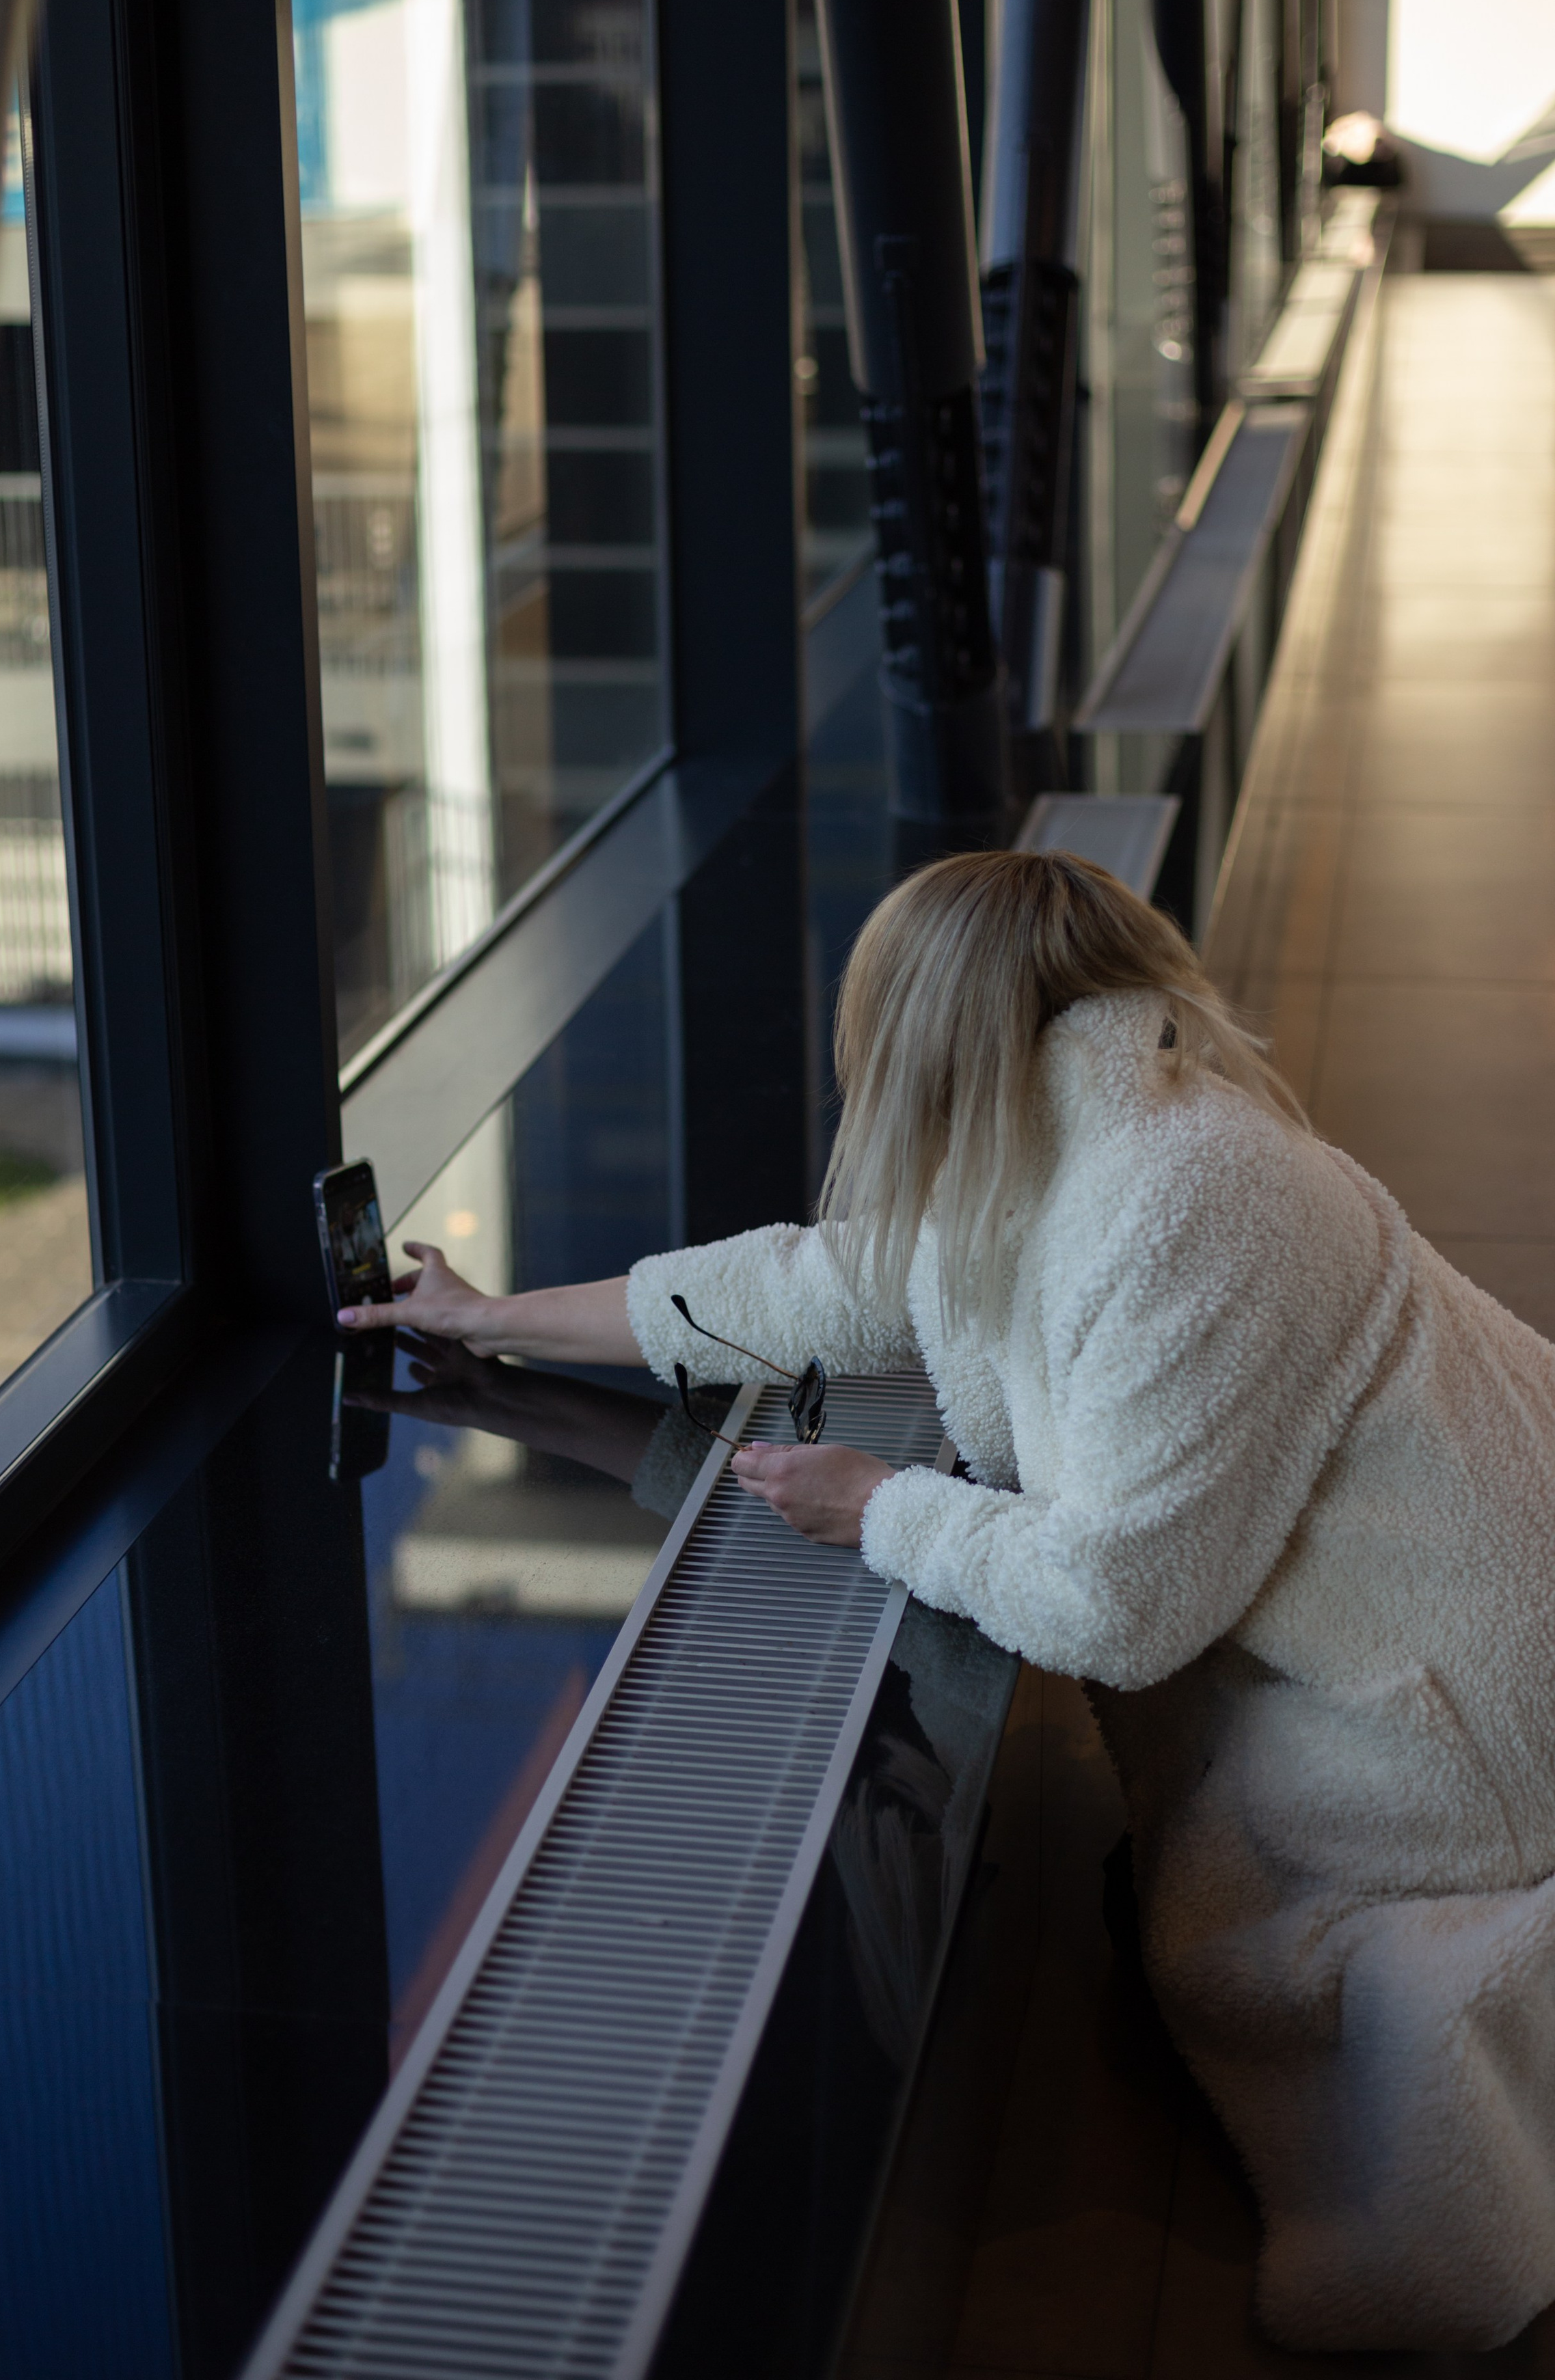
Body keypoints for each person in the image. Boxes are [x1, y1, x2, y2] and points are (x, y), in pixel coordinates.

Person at [341, 847, 1555, 2355]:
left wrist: (883, 1509)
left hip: (1487, 1722)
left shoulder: (1184, 1208)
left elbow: (1117, 1610)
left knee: (1195, 1958)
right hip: (1465, 1638)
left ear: (914, 1037)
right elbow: (806, 1282)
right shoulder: (1092, 1144)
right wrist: (491, 1319)